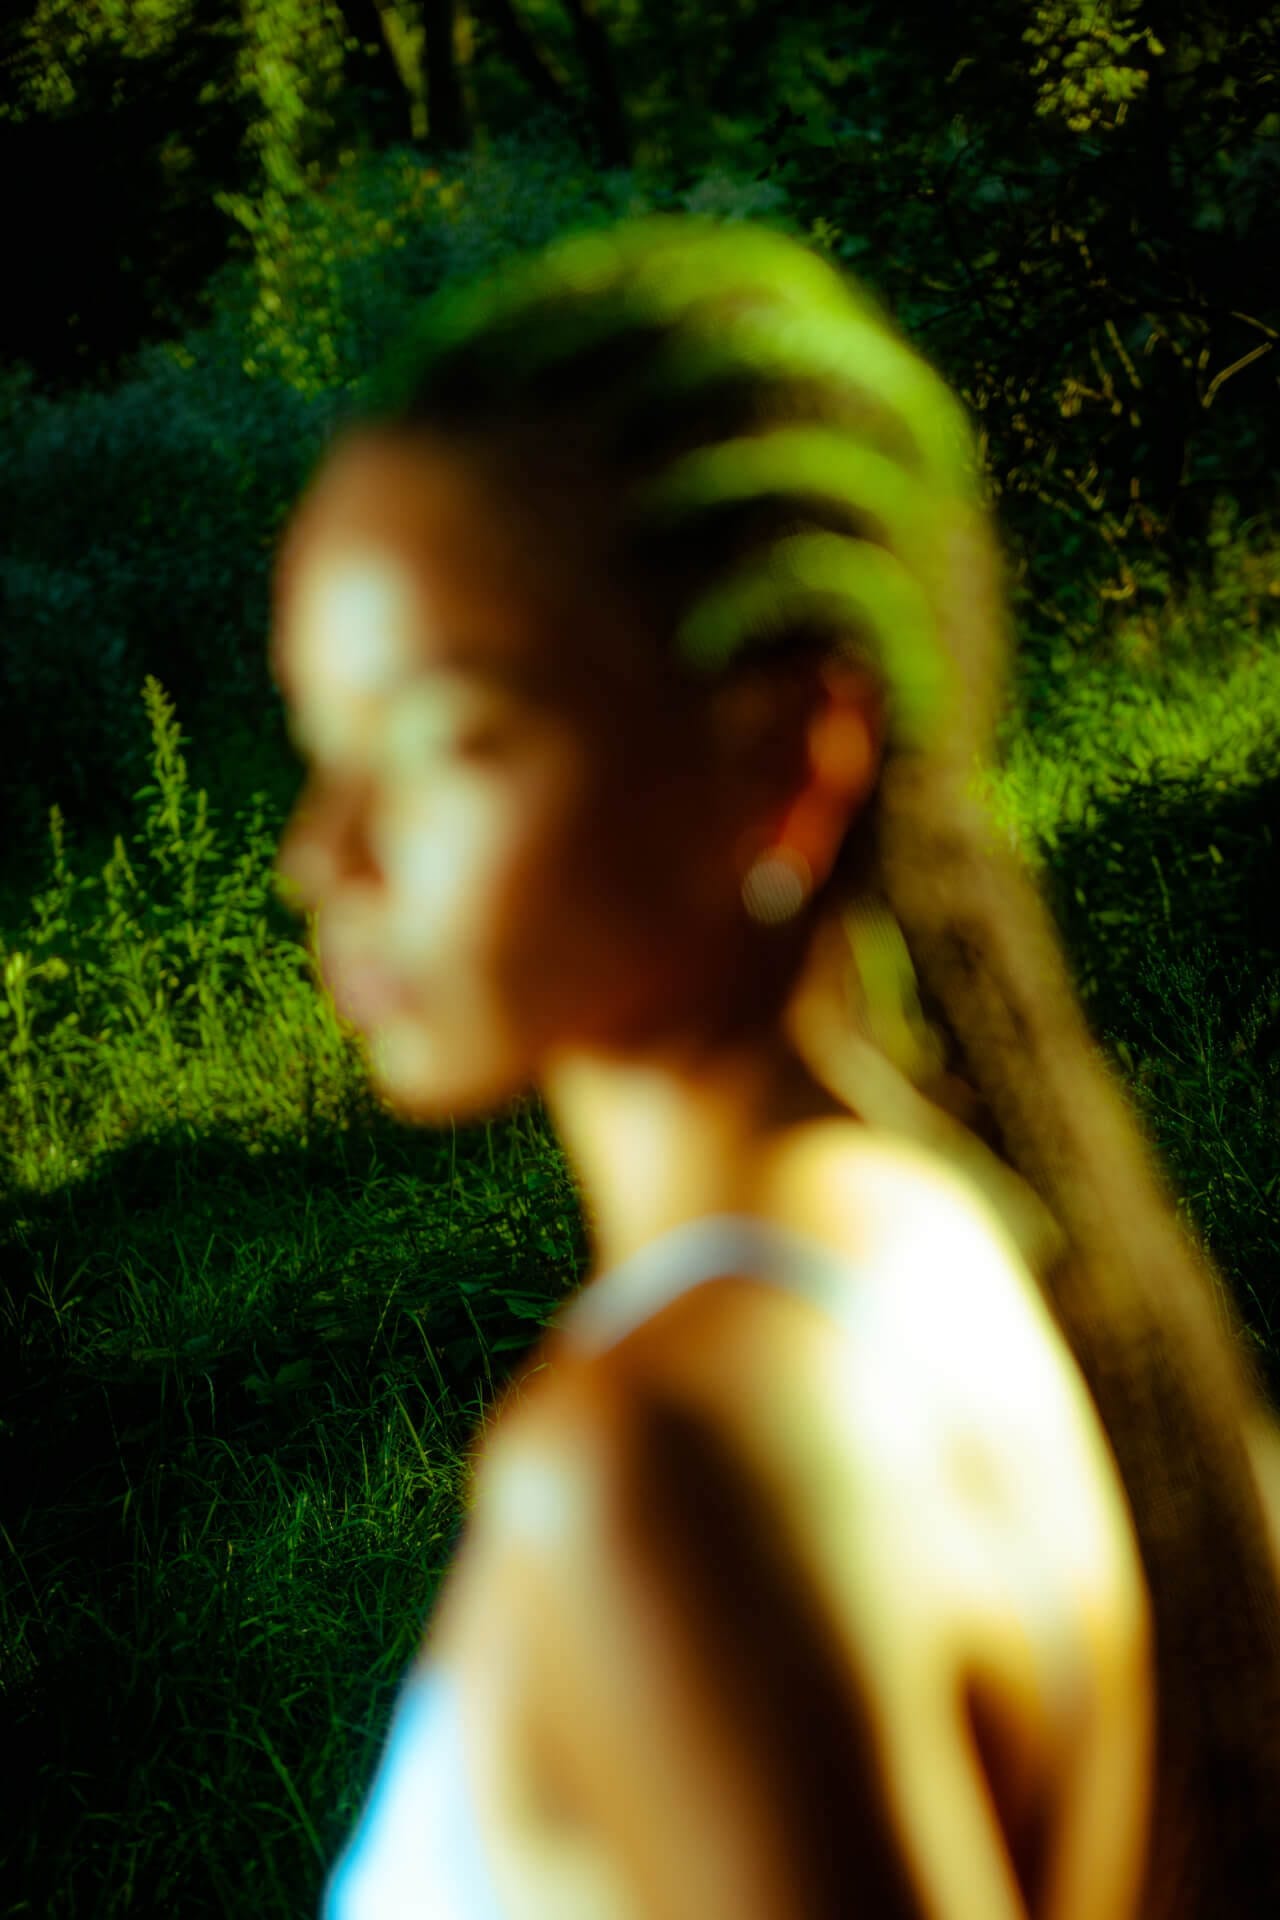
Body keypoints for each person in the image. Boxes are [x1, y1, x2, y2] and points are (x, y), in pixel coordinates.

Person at [268, 214, 1280, 1919]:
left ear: (784, 760)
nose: (325, 853)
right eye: (322, 742)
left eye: (445, 741)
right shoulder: (968, 1253)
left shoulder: (662, 1460)